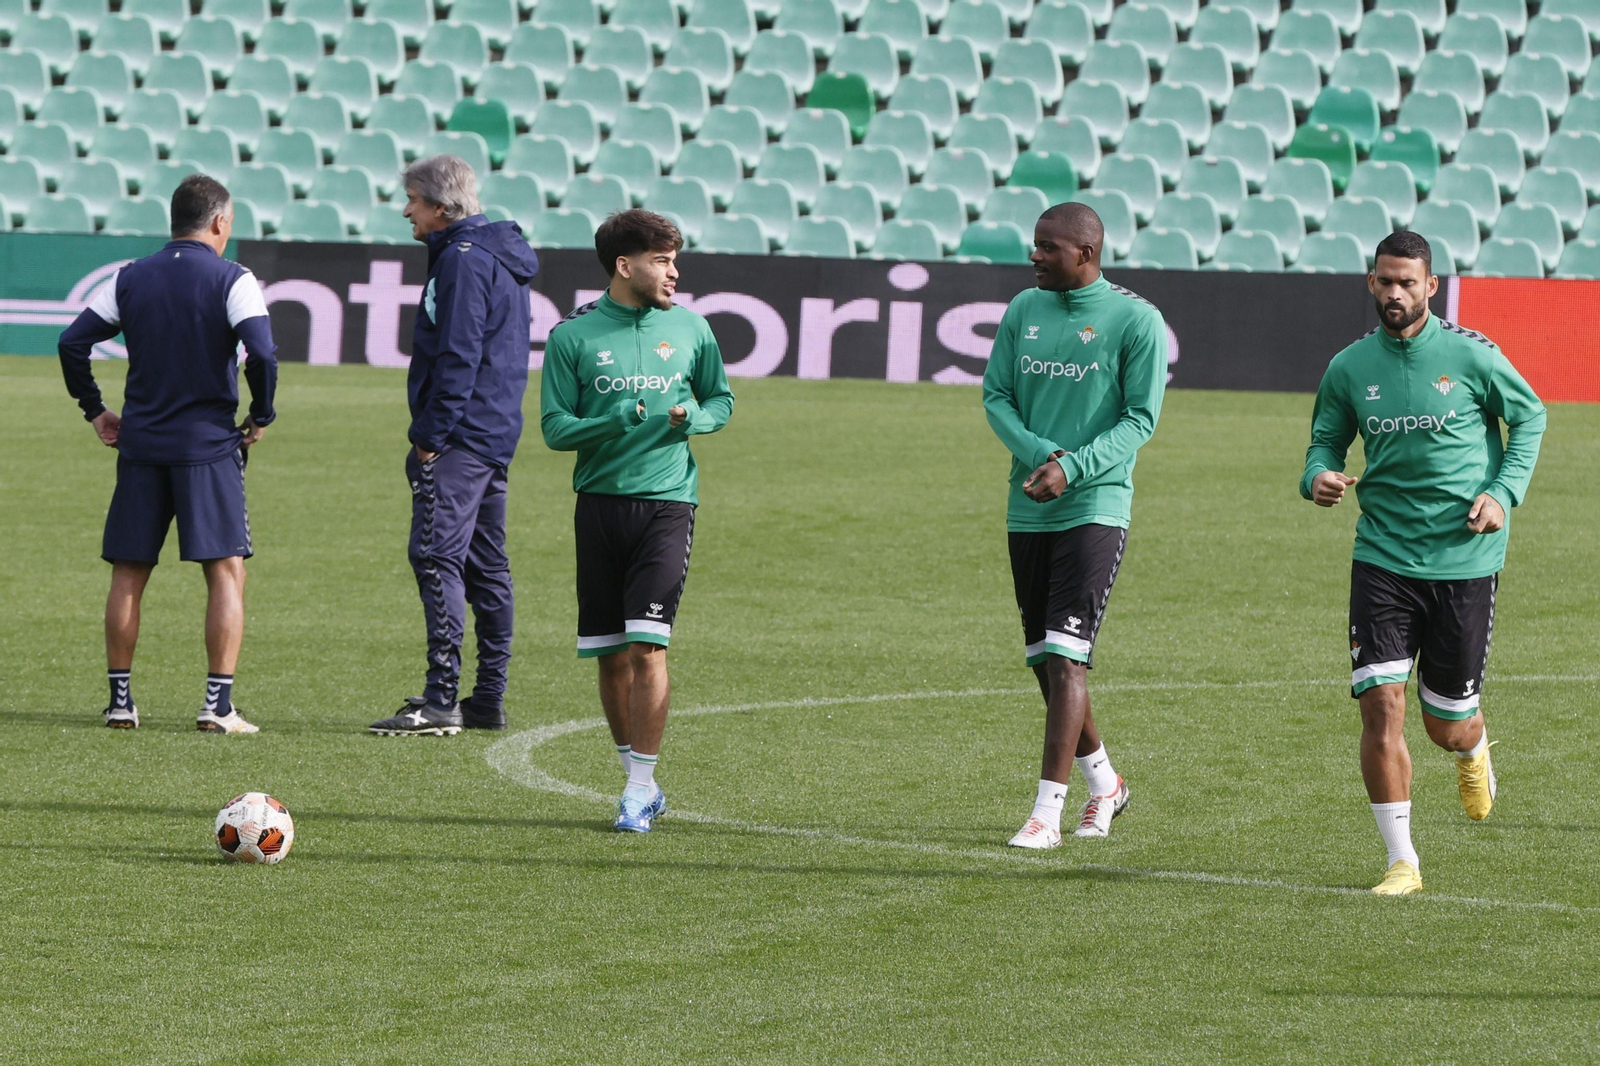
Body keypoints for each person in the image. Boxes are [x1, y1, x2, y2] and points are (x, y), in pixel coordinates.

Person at [1302, 230, 1546, 896]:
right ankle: (1401, 861)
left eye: (1408, 282)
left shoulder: (1471, 356)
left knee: (1445, 724)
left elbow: (1529, 417)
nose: (1395, 293)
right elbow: (1324, 443)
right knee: (1380, 704)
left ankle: (1473, 744)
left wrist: (1503, 493)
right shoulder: (1349, 367)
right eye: (1384, 281)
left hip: (1464, 558)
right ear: (1370, 283)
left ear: (1431, 287)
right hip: (1382, 556)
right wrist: (1319, 476)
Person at [57, 174, 278, 733]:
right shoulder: (234, 278)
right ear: (220, 222)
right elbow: (264, 354)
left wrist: (95, 409)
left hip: (142, 446)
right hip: (207, 446)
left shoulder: (131, 277)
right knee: (225, 571)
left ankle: (121, 703)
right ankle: (217, 705)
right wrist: (262, 414)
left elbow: (71, 342)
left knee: (129, 572)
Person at [540, 209, 734, 833]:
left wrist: (692, 419)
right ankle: (638, 778)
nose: (674, 272)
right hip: (598, 504)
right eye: (662, 261)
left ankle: (636, 788)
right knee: (610, 655)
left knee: (648, 646)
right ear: (625, 266)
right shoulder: (572, 337)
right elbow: (554, 428)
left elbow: (721, 400)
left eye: (675, 260)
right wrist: (615, 417)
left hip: (668, 501)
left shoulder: (693, 329)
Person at [982, 202, 1168, 849]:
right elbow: (995, 396)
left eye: (1046, 247)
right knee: (1045, 660)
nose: (1033, 256)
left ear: (1085, 254)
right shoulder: (1021, 312)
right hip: (1028, 503)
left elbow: (1141, 418)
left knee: (1066, 657)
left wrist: (1077, 467)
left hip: (1096, 505)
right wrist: (1043, 457)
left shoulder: (1136, 321)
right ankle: (1106, 785)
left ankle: (1045, 814)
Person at [369, 155, 541, 737]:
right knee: (486, 565)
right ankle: (487, 699)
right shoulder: (495, 256)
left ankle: (441, 700)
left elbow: (460, 354)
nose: (406, 210)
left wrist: (430, 438)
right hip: (492, 431)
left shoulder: (464, 263)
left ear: (441, 208)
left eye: (413, 199)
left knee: (436, 556)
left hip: (461, 436)